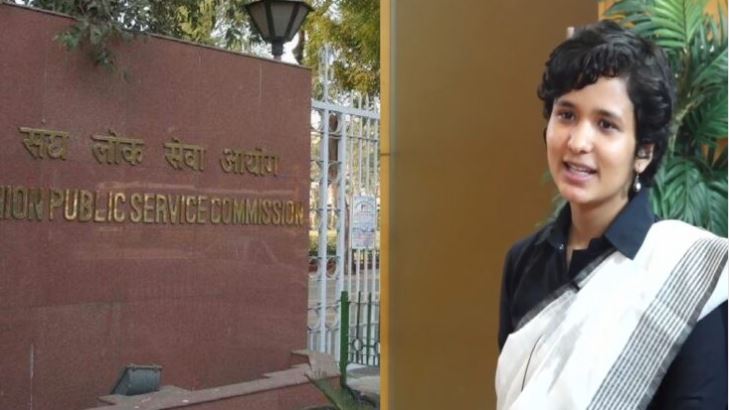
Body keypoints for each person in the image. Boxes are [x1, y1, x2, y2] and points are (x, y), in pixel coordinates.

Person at [495, 20, 727, 410]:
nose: (578, 142)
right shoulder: (524, 262)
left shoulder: (685, 276)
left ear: (644, 151)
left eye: (606, 125)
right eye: (566, 115)